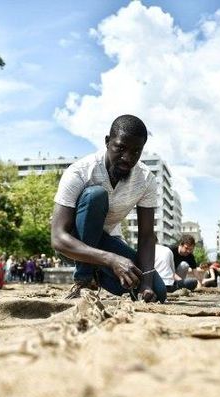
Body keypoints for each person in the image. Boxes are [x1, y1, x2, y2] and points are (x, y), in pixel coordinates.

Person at [51, 114, 166, 302]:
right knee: (95, 195)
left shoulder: (146, 180)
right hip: (73, 243)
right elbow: (58, 239)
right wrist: (111, 260)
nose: (127, 158)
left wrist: (145, 284)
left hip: (106, 242)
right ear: (107, 141)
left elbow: (146, 236)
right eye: (120, 148)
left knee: (158, 293)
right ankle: (84, 280)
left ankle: (96, 273)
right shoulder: (79, 172)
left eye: (136, 151)